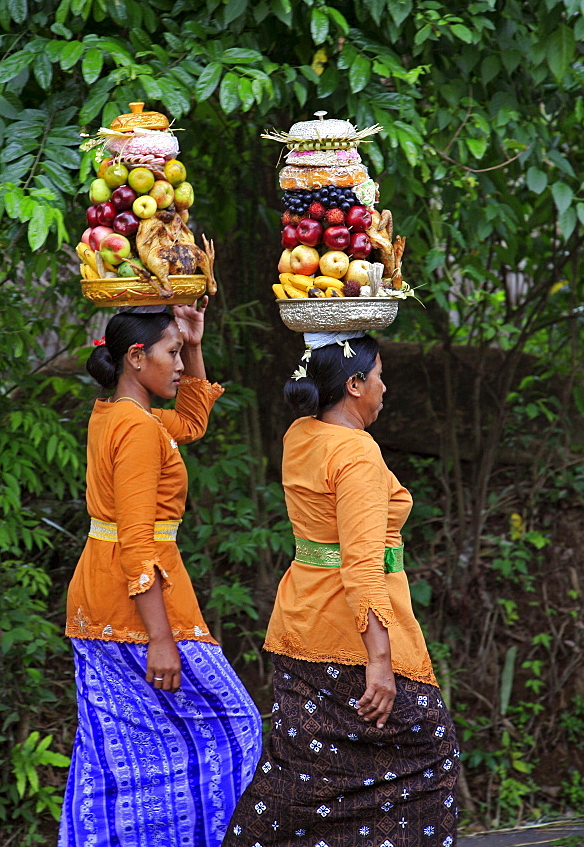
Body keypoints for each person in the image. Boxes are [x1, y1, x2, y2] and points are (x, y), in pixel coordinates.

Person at [223, 331, 459, 847]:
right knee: (428, 755)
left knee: (302, 777)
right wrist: (380, 658)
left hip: (300, 625)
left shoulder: (300, 434)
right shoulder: (357, 455)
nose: (384, 386)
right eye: (378, 376)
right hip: (354, 641)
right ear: (354, 384)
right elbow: (362, 564)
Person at [59, 301, 262, 847]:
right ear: (134, 355)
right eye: (171, 354)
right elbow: (136, 540)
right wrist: (160, 638)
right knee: (234, 728)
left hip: (97, 602)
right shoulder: (140, 429)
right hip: (134, 607)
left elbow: (192, 421)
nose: (178, 365)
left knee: (114, 749)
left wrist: (193, 343)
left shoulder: (117, 414)